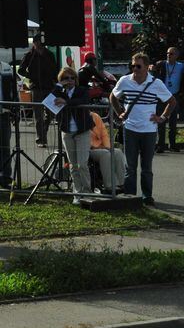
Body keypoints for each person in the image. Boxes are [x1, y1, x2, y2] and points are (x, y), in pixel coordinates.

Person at [110, 53, 176, 205]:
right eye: (132, 66)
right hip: (130, 128)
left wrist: (163, 118)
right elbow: (113, 97)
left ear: (147, 67)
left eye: (138, 66)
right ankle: (130, 197)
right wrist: (119, 112)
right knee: (130, 166)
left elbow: (172, 102)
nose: (135, 69)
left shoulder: (156, 83)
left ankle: (147, 196)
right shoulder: (124, 81)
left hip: (149, 130)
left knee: (147, 167)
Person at [51, 67, 94, 204]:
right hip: (67, 132)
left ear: (76, 79)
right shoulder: (60, 92)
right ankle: (77, 193)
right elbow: (49, 99)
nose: (69, 81)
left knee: (82, 164)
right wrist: (59, 86)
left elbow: (84, 100)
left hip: (82, 131)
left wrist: (66, 102)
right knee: (73, 165)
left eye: (72, 78)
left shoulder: (82, 90)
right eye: (66, 78)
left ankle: (87, 192)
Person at [18, 36, 57, 147]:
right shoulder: (29, 55)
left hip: (49, 87)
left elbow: (55, 70)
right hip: (36, 88)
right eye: (38, 41)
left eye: (41, 41)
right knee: (38, 115)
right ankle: (41, 139)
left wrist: (56, 83)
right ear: (34, 43)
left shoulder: (49, 54)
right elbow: (21, 70)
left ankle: (43, 132)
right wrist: (31, 76)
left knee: (50, 114)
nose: (40, 43)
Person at [153, 47, 184, 153]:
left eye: (172, 53)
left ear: (177, 55)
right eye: (168, 53)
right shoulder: (162, 64)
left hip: (174, 96)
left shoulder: (181, 66)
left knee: (173, 122)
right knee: (161, 121)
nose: (169, 55)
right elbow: (153, 69)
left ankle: (172, 144)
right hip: (161, 96)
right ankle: (160, 145)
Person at [88, 111, 125, 193]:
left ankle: (122, 183)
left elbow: (104, 134)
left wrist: (108, 147)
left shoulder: (95, 116)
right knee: (106, 154)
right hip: (90, 149)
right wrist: (100, 148)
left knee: (118, 152)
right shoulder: (80, 119)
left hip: (102, 147)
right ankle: (109, 185)